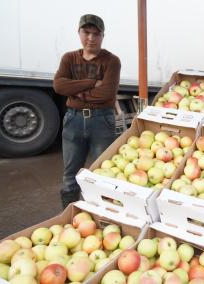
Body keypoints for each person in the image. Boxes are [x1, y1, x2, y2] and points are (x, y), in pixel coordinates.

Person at [53, 14, 121, 209]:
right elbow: (59, 86)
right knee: (70, 173)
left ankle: (106, 214)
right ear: (79, 32)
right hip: (73, 120)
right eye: (87, 32)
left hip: (102, 121)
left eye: (96, 34)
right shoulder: (69, 58)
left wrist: (75, 93)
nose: (91, 38)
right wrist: (92, 83)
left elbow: (107, 93)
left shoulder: (111, 61)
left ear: (102, 36)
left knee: (104, 172)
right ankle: (70, 214)